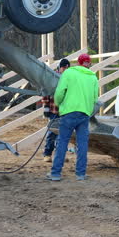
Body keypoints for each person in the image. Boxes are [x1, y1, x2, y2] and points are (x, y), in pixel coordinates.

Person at [47, 53, 98, 181]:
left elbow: (59, 92)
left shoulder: (69, 73)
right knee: (82, 144)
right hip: (84, 114)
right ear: (88, 64)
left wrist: (59, 105)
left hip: (68, 113)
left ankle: (55, 174)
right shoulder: (93, 77)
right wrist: (88, 110)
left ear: (78, 63)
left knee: (63, 141)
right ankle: (80, 174)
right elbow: (95, 98)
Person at [42, 58, 70, 162]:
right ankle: (47, 154)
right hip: (53, 110)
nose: (65, 69)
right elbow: (46, 91)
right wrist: (46, 107)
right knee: (51, 133)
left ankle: (60, 154)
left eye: (67, 67)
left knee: (63, 134)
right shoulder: (53, 77)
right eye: (64, 67)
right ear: (59, 67)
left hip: (65, 111)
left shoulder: (69, 78)